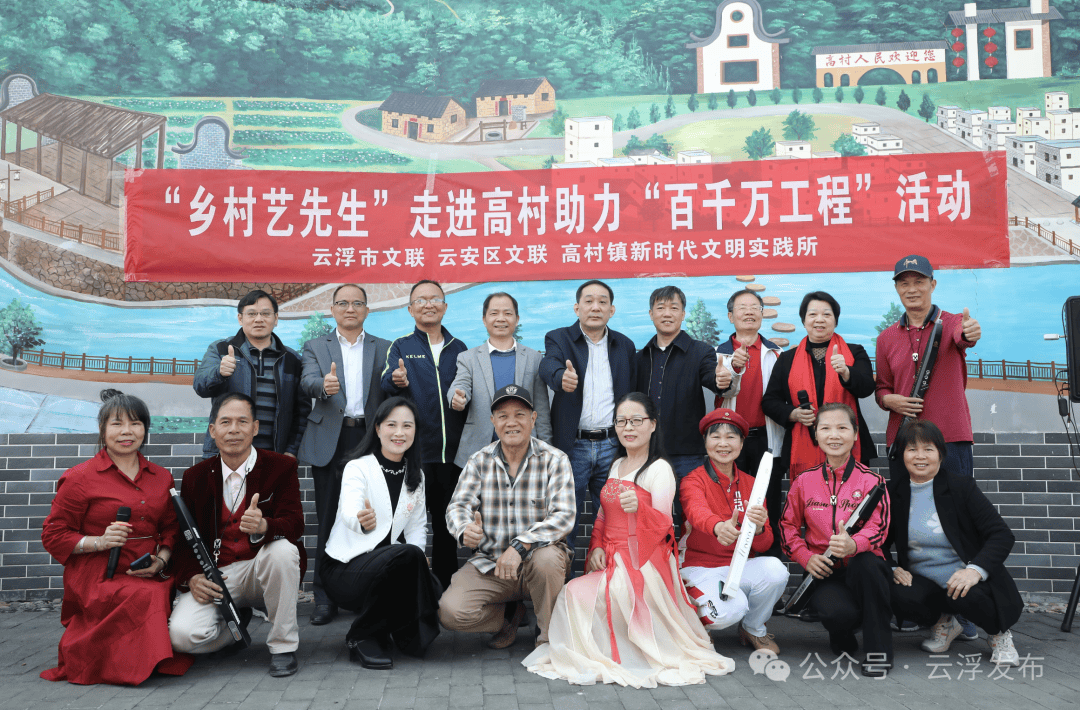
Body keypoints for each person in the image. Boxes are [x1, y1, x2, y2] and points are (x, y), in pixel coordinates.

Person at [524, 393, 734, 687]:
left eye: (636, 420)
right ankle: (598, 650)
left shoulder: (659, 469)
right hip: (611, 557)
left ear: (652, 425)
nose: (628, 427)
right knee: (573, 592)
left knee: (593, 594)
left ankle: (620, 652)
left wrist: (641, 509)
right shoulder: (617, 464)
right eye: (621, 421)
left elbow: (664, 526)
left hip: (642, 562)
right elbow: (602, 514)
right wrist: (597, 546)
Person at [40, 390, 193, 685]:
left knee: (158, 589)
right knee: (145, 595)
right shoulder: (80, 478)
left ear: (145, 429)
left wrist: (162, 561)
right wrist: (100, 541)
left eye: (135, 423)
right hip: (98, 571)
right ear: (102, 429)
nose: (127, 432)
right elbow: (53, 535)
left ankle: (143, 657)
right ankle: (124, 664)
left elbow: (171, 528)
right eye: (117, 424)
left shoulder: (161, 477)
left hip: (147, 566)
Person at [169, 393, 305, 677]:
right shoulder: (195, 477)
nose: (233, 430)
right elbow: (183, 540)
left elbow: (294, 525)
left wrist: (265, 525)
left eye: (242, 422)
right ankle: (235, 629)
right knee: (182, 637)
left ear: (255, 428)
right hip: (216, 576)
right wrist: (192, 577)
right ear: (212, 430)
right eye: (225, 422)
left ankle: (283, 647)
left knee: (283, 551)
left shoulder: (281, 467)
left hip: (260, 567)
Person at [439, 385, 575, 650]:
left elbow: (564, 516)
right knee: (450, 611)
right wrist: (464, 529)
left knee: (547, 559)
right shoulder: (479, 461)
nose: (511, 422)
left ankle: (548, 640)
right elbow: (457, 506)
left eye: (520, 414)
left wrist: (520, 545)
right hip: (492, 563)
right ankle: (508, 618)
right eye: (503, 416)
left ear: (533, 419)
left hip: (538, 561)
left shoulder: (555, 460)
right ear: (493, 421)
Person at [886, 420, 1022, 666]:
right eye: (912, 449)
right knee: (894, 589)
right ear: (901, 455)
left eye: (928, 449)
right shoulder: (892, 492)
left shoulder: (961, 487)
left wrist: (974, 571)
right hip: (924, 582)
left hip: (963, 578)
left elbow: (1001, 534)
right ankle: (945, 623)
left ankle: (999, 634)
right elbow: (877, 542)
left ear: (940, 453)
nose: (920, 456)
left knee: (969, 596)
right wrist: (893, 567)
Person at [320, 397, 441, 670]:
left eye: (407, 426)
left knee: (428, 581)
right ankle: (360, 636)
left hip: (385, 566)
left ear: (415, 431)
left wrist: (419, 560)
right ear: (377, 428)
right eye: (391, 425)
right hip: (344, 568)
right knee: (408, 558)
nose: (399, 433)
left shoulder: (416, 475)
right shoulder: (358, 467)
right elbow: (349, 508)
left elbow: (417, 526)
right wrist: (360, 521)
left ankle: (385, 630)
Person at [298, 284, 390, 626]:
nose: (350, 309)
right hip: (330, 440)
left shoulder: (384, 347)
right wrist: (323, 386)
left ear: (366, 309)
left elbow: (390, 388)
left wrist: (399, 381)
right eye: (342, 303)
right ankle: (324, 597)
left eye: (357, 303)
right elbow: (307, 381)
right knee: (328, 518)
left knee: (371, 516)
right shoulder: (315, 346)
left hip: (369, 438)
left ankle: (368, 592)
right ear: (333, 309)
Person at [780, 403, 893, 677]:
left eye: (842, 428)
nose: (834, 435)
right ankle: (842, 634)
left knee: (866, 564)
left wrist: (855, 544)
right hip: (825, 572)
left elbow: (880, 527)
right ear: (816, 435)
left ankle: (879, 652)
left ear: (855, 434)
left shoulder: (872, 481)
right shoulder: (804, 481)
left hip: (864, 568)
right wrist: (806, 557)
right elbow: (787, 527)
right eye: (826, 428)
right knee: (836, 614)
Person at [539, 280, 636, 571]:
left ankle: (607, 583)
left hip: (612, 445)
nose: (595, 307)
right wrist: (560, 377)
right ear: (577, 308)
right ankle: (561, 585)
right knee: (565, 520)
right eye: (589, 301)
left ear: (612, 310)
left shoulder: (624, 345)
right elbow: (548, 365)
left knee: (612, 519)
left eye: (602, 302)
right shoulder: (559, 338)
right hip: (573, 446)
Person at [678, 408, 788, 654]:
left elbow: (764, 544)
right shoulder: (692, 480)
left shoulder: (751, 483)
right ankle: (695, 627)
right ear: (705, 441)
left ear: (741, 443)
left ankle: (753, 628)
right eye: (716, 436)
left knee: (776, 571)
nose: (723, 444)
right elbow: (696, 511)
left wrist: (759, 529)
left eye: (731, 437)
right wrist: (718, 527)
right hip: (700, 567)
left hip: (738, 566)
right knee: (728, 611)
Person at [381, 279, 468, 590]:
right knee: (406, 524)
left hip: (452, 456)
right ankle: (407, 590)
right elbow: (385, 382)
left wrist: (463, 398)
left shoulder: (459, 348)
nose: (428, 304)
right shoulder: (401, 346)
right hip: (415, 455)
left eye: (434, 299)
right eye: (420, 300)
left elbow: (467, 388)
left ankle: (444, 591)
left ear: (444, 306)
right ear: (410, 309)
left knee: (446, 527)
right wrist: (396, 379)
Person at [875, 254, 982, 478]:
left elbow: (963, 336)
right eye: (904, 283)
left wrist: (968, 332)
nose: (912, 289)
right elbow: (882, 387)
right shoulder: (886, 338)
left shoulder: (952, 322)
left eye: (919, 282)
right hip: (904, 439)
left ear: (932, 285)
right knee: (905, 501)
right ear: (896, 288)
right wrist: (887, 400)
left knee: (956, 499)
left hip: (950, 437)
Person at [761, 291, 875, 479]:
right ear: (804, 321)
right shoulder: (787, 359)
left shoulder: (854, 352)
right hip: (802, 441)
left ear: (835, 321)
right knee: (807, 495)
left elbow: (867, 388)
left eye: (827, 314)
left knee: (851, 496)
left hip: (849, 441)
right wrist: (793, 413)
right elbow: (770, 401)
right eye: (813, 314)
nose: (819, 319)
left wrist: (846, 372)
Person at [193, 289, 310, 459]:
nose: (259, 319)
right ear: (240, 318)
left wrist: (291, 451)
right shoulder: (220, 349)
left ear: (276, 318)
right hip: (226, 454)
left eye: (265, 314)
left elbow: (302, 412)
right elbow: (200, 386)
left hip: (275, 457)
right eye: (252, 314)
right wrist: (219, 372)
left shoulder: (292, 359)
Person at [635, 285, 729, 481]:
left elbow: (711, 377)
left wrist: (720, 379)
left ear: (683, 314)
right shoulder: (641, 357)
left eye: (674, 308)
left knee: (688, 501)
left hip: (687, 454)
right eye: (661, 308)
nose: (667, 314)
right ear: (651, 314)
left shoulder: (701, 351)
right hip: (646, 452)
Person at [714, 288, 785, 542]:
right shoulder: (716, 354)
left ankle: (770, 555)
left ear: (762, 315)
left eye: (755, 308)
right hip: (730, 440)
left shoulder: (776, 354)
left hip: (767, 438)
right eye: (742, 308)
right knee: (730, 501)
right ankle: (731, 557)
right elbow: (723, 390)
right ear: (730, 316)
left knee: (768, 502)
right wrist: (734, 366)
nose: (749, 312)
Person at [449, 291, 552, 466]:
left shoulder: (534, 358)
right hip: (480, 451)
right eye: (494, 313)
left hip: (524, 451)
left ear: (517, 319)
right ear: (484, 319)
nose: (501, 318)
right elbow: (460, 384)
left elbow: (541, 410)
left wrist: (546, 450)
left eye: (507, 313)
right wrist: (456, 397)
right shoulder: (468, 358)